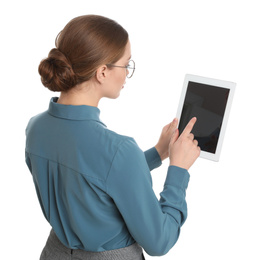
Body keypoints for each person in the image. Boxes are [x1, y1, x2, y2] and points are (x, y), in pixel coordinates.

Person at [25, 14, 200, 260]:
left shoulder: (36, 128)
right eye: (126, 64)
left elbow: (94, 179)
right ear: (102, 72)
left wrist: (158, 153)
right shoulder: (119, 150)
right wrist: (178, 170)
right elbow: (159, 241)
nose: (127, 72)